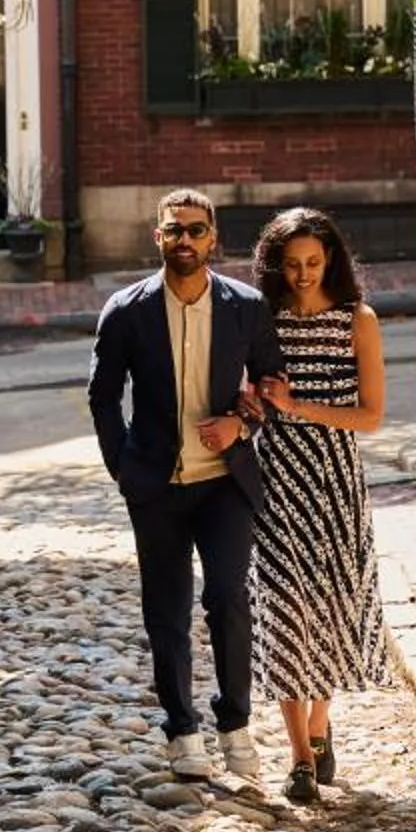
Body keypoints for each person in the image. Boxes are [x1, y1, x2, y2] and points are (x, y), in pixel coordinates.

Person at [87, 190, 285, 781]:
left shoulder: (246, 307)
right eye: (174, 231)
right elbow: (102, 395)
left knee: (229, 596)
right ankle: (182, 730)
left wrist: (242, 421)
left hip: (226, 482)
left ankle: (236, 723)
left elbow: (273, 382)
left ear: (213, 239)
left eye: (195, 231)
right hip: (157, 485)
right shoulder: (126, 310)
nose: (185, 241)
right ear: (158, 237)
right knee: (166, 612)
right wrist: (123, 465)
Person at [250, 206, 389, 805]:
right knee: (283, 609)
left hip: (334, 482)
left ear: (330, 257)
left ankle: (319, 723)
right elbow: (245, 396)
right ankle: (301, 757)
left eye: (313, 261)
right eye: (292, 264)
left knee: (332, 605)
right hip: (276, 479)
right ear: (275, 266)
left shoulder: (357, 321)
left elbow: (371, 416)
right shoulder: (263, 322)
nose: (304, 273)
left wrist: (299, 405)